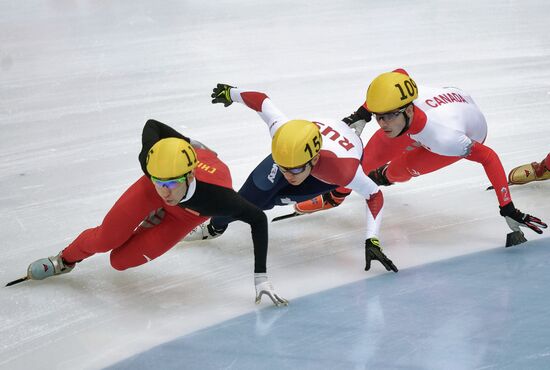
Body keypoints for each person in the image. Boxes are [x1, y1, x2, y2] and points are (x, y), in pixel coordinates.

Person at [15, 119, 287, 306]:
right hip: (157, 185)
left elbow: (258, 219)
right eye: (159, 182)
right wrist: (185, 142)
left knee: (119, 262)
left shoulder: (218, 199)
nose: (164, 191)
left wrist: (260, 277)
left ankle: (149, 223)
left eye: (170, 185)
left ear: (190, 176)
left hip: (186, 216)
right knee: (106, 239)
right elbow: (152, 125)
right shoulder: (153, 169)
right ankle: (64, 260)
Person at [295, 69, 547, 247]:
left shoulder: (445, 138)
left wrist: (507, 207)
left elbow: (489, 157)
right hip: (443, 104)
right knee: (363, 161)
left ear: (406, 109)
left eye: (387, 116)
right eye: (378, 116)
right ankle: (336, 196)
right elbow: (398, 72)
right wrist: (363, 112)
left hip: (465, 127)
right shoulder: (398, 111)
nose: (381, 123)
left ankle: (383, 177)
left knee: (398, 171)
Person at [185, 83, 397, 273]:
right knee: (247, 199)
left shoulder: (342, 170)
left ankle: (321, 192)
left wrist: (372, 240)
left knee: (267, 203)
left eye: (293, 171)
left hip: (325, 173)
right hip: (301, 152)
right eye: (284, 168)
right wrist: (231, 93)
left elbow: (374, 195)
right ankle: (215, 228)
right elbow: (260, 100)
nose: (288, 176)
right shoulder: (283, 132)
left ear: (313, 160)